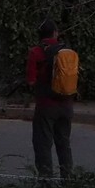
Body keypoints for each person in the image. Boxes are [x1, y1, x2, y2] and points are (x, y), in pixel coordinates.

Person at [26, 19, 73, 179]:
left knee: (43, 144)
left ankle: (46, 183)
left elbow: (31, 81)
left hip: (46, 105)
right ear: (55, 33)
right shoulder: (66, 51)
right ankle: (68, 181)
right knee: (64, 143)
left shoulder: (36, 52)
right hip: (66, 103)